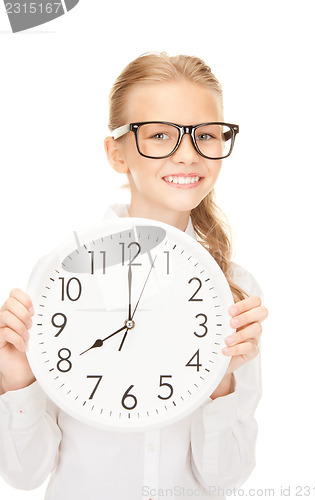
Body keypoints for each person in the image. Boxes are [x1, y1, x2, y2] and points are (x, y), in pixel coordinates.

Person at [0, 52, 268, 499]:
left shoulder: (235, 291)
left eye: (205, 135)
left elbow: (225, 479)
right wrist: (17, 379)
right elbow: (25, 476)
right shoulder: (60, 277)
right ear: (117, 153)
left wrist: (222, 379)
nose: (188, 155)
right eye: (160, 135)